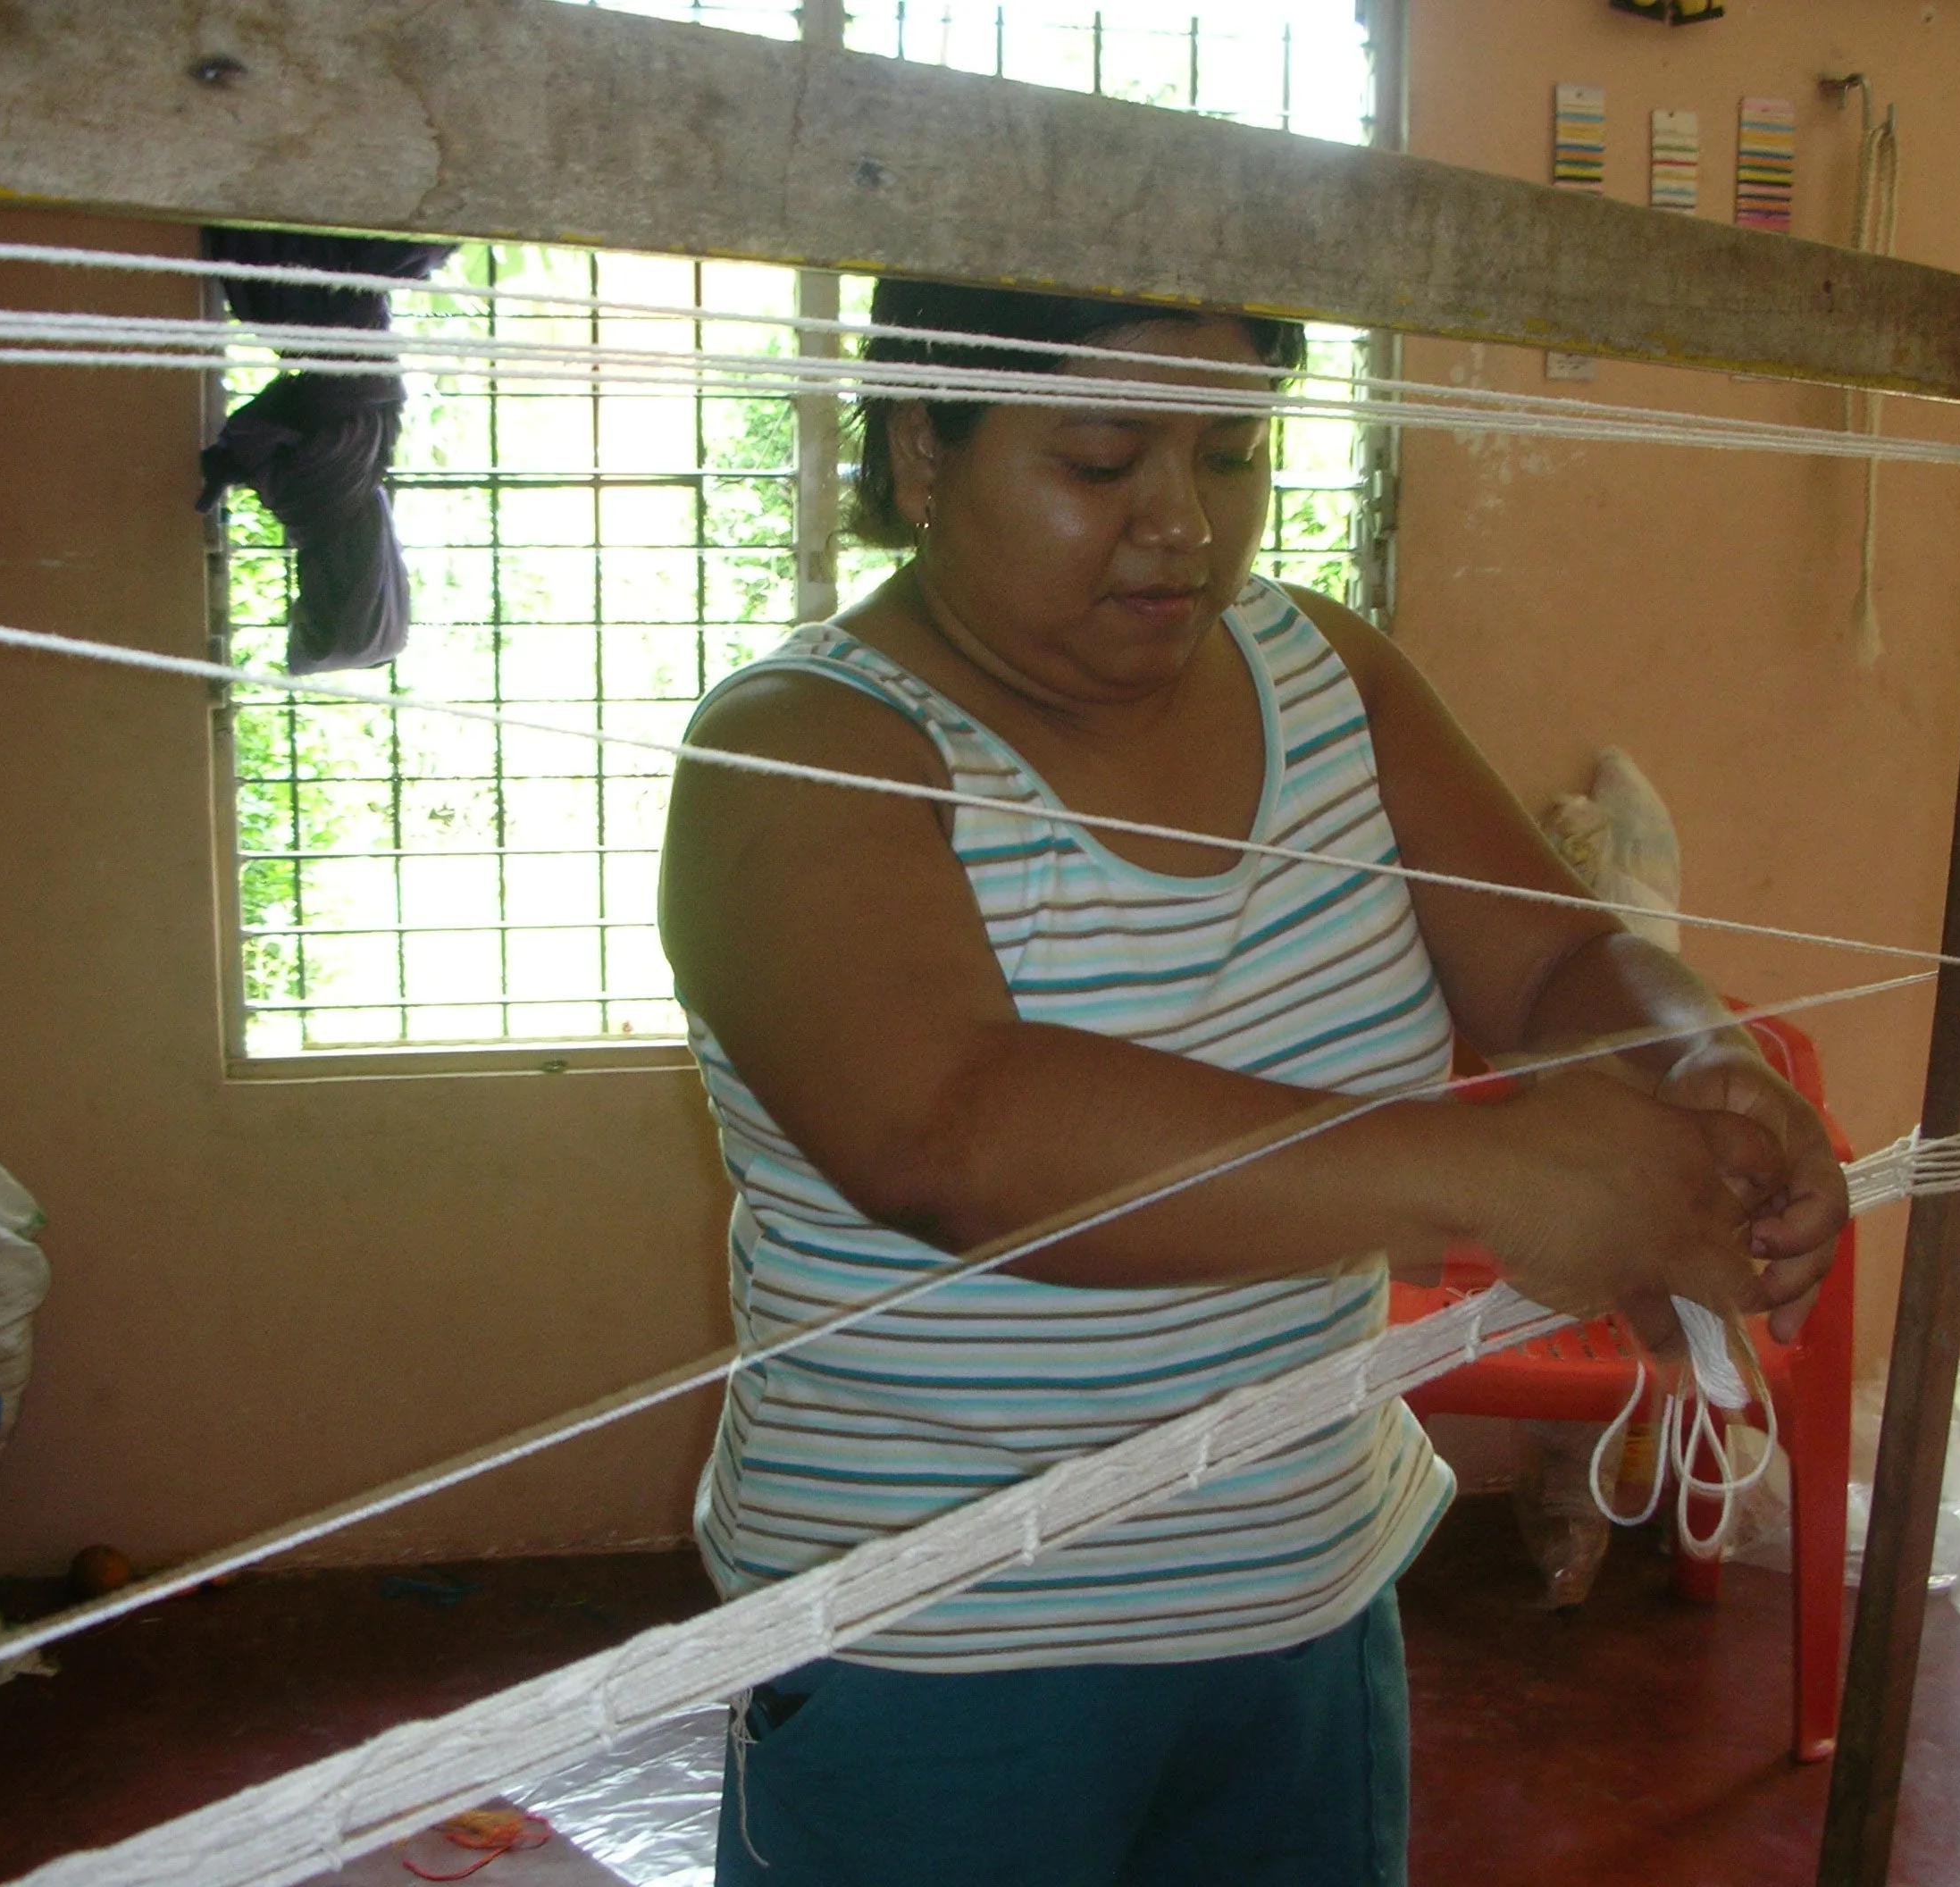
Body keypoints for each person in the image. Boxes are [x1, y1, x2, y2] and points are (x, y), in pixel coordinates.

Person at [658, 278, 1846, 1887]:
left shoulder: (1325, 674)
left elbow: (1554, 962)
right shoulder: (800, 756)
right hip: (933, 1661)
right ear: (923, 454)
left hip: (1301, 1600)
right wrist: (1492, 1176)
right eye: (1098, 463)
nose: (1181, 527)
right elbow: (950, 1133)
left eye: (1230, 454)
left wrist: (1698, 1055)